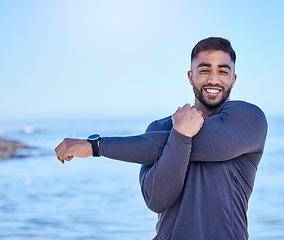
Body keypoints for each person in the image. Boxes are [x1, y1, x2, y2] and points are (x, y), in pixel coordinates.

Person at [55, 37, 268, 240]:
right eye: (204, 70)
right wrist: (179, 136)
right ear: (191, 77)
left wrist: (96, 146)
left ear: (234, 79)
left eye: (223, 71)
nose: (213, 79)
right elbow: (156, 200)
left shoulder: (248, 120)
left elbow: (205, 143)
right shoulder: (160, 128)